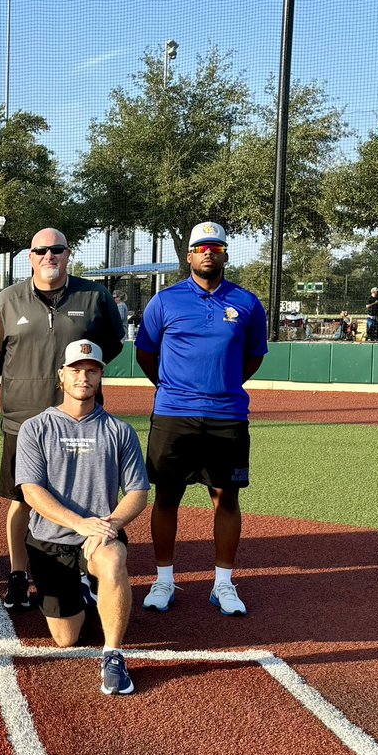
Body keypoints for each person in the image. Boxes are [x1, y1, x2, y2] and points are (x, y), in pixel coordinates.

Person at [0, 227, 124, 613]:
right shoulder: (6, 301)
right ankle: (18, 574)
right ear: (30, 257)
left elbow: (108, 348)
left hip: (81, 421)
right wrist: (27, 382)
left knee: (87, 494)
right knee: (21, 500)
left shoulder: (95, 297)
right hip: (23, 422)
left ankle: (87, 570)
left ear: (68, 254)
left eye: (57, 249)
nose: (49, 256)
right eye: (41, 250)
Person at [135, 221, 268, 617]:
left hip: (228, 416)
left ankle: (223, 584)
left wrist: (224, 384)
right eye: (202, 247)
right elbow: (146, 353)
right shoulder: (165, 301)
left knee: (226, 498)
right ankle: (164, 581)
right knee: (166, 496)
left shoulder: (247, 303)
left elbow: (254, 356)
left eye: (216, 247)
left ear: (225, 254)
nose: (209, 252)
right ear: (190, 255)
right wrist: (172, 387)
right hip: (174, 414)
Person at [16, 340, 149, 695]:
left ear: (101, 376)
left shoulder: (119, 430)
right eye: (75, 370)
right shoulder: (35, 428)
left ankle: (113, 655)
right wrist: (79, 523)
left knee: (113, 560)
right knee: (66, 638)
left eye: (92, 370)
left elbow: (138, 492)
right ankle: (88, 592)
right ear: (61, 375)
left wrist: (110, 526)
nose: (83, 377)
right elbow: (31, 491)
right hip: (50, 540)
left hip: (100, 537)